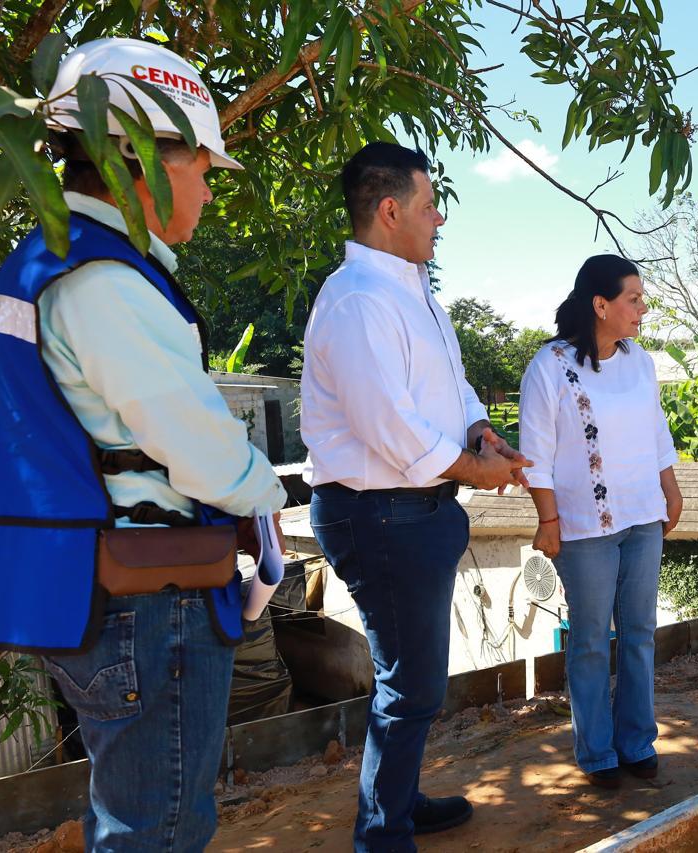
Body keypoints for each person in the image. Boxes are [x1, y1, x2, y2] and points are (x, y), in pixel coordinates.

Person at [0, 38, 287, 849]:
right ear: (138, 160)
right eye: (199, 167)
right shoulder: (107, 281)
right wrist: (269, 494)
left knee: (135, 818)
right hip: (149, 604)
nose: (206, 189)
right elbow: (195, 444)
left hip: (99, 593)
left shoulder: (51, 263)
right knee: (157, 829)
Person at [301, 142, 531, 850]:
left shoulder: (412, 291)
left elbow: (448, 387)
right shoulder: (359, 301)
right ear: (391, 209)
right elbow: (391, 427)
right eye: (431, 205)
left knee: (413, 679)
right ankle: (383, 831)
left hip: (411, 509)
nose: (439, 220)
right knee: (412, 684)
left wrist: (481, 430)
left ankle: (393, 800)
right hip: (381, 512)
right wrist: (475, 468)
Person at [518, 255, 682, 788]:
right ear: (600, 304)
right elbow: (535, 451)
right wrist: (548, 518)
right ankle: (597, 752)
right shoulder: (551, 365)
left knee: (638, 632)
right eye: (633, 298)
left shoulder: (639, 361)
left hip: (642, 518)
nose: (642, 308)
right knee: (589, 639)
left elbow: (656, 430)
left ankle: (636, 742)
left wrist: (670, 489)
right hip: (584, 526)